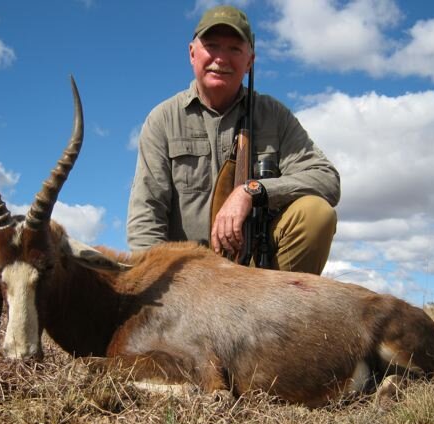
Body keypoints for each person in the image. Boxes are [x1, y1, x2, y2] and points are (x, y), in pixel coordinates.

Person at [127, 5, 340, 274]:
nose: (221, 59)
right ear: (192, 54)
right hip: (187, 279)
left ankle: (280, 313)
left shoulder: (273, 114)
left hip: (259, 275)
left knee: (316, 213)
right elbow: (146, 213)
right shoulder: (162, 119)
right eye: (212, 46)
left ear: (249, 60)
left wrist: (253, 191)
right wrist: (155, 283)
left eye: (235, 49)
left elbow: (327, 179)